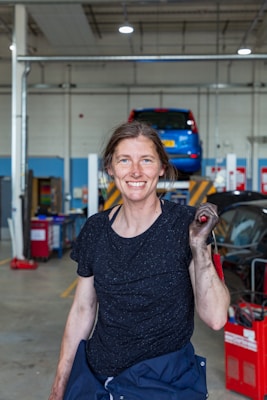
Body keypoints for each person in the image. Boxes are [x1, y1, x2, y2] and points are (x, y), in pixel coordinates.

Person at [49, 121, 230, 400]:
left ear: (161, 168)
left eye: (146, 160)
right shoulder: (96, 229)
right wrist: (60, 386)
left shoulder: (186, 225)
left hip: (164, 383)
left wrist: (197, 245)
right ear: (111, 168)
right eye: (125, 160)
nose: (135, 171)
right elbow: (82, 310)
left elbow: (216, 317)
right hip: (99, 381)